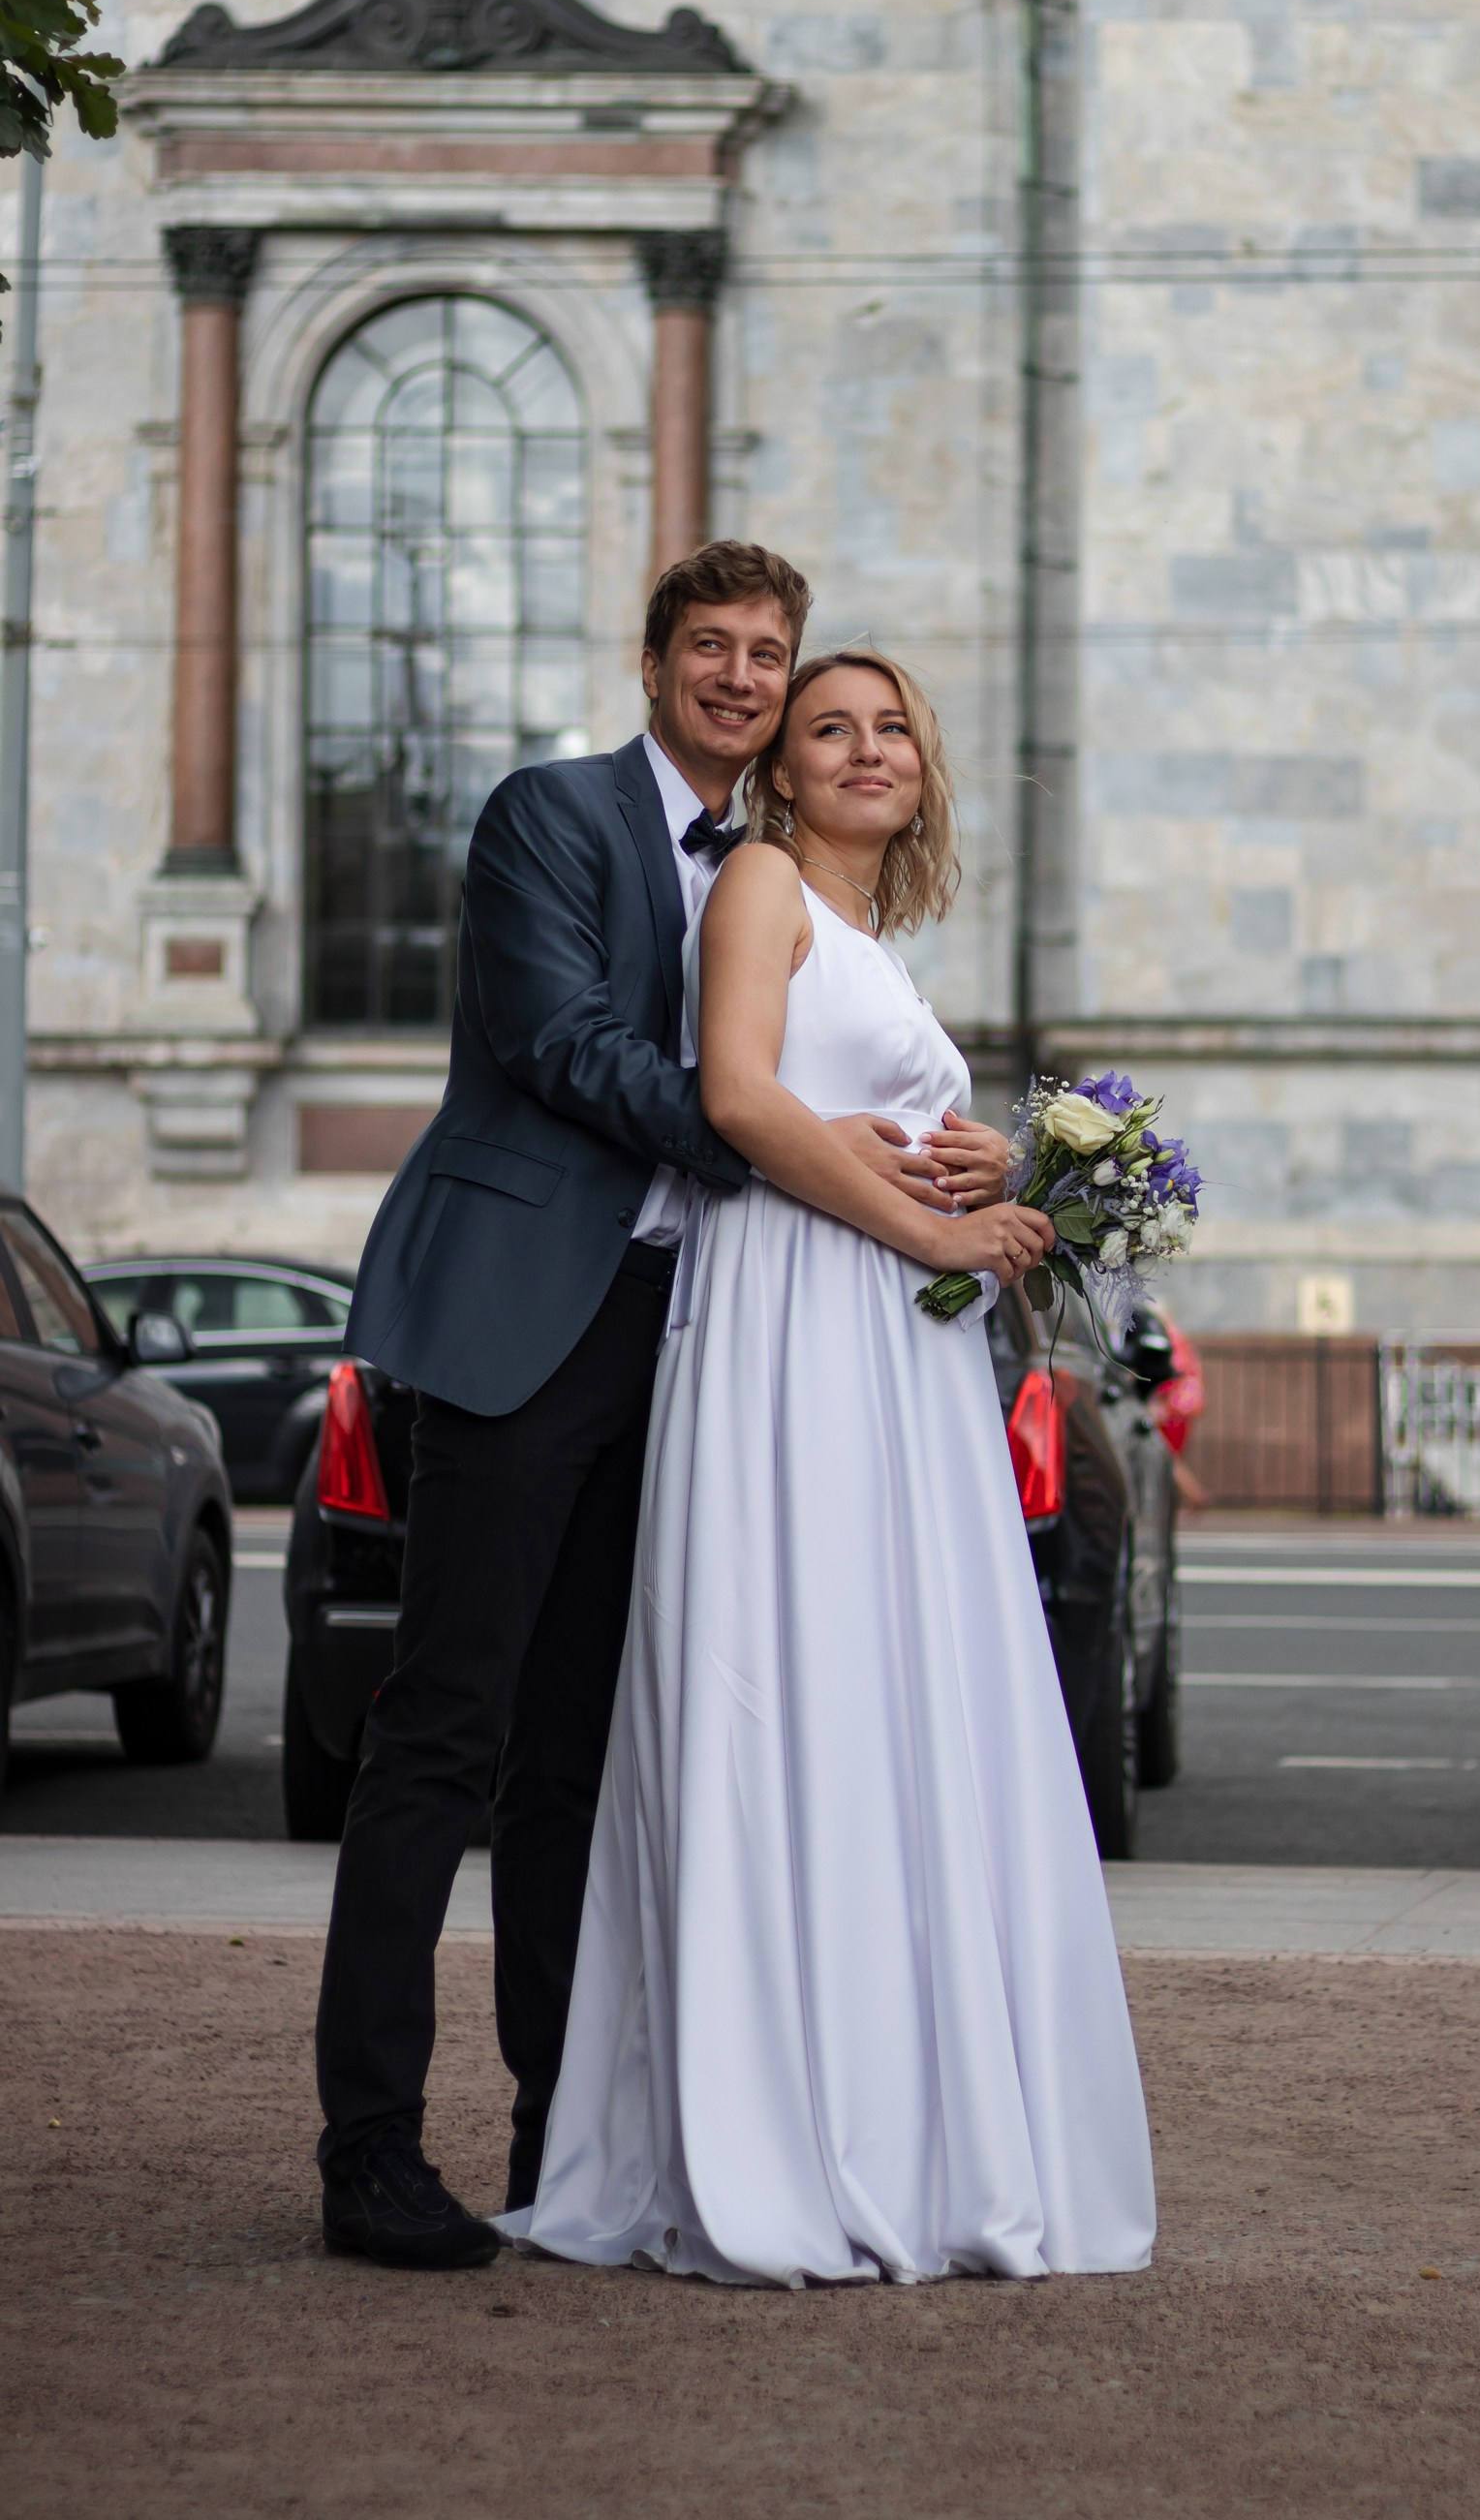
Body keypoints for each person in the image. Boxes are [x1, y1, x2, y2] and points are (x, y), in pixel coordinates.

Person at [313, 543, 1015, 2271]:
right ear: (654, 665)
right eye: (713, 647)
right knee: (444, 1734)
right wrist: (781, 1132)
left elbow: (823, 1075)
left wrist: (941, 1149)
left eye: (768, 654)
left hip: (701, 1340)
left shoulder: (793, 879)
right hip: (522, 1318)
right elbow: (562, 1046)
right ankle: (369, 2150)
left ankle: (569, 2140)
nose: (742, 676)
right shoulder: (549, 818)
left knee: (589, 1764)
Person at [505, 650, 1157, 2286]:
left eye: (894, 732)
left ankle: (911, 2115)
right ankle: (786, 2132)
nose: (866, 750)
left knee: (900, 1700)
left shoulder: (871, 934)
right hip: (793, 1325)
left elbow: (856, 1097)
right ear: (781, 772)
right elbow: (737, 1099)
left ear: (926, 773)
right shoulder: (764, 885)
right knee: (789, 1683)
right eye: (830, 729)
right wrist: (944, 1223)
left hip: (897, 1351)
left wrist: (992, 1156)